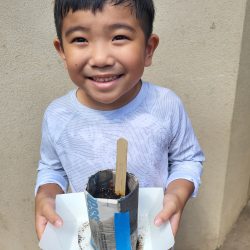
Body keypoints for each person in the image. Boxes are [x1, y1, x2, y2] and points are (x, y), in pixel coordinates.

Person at [35, 0, 205, 244]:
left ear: (148, 49)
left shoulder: (166, 106)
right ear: (62, 50)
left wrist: (177, 195)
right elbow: (52, 168)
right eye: (81, 39)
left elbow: (187, 159)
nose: (101, 58)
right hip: (88, 236)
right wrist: (46, 195)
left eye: (119, 36)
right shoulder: (57, 115)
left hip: (148, 236)